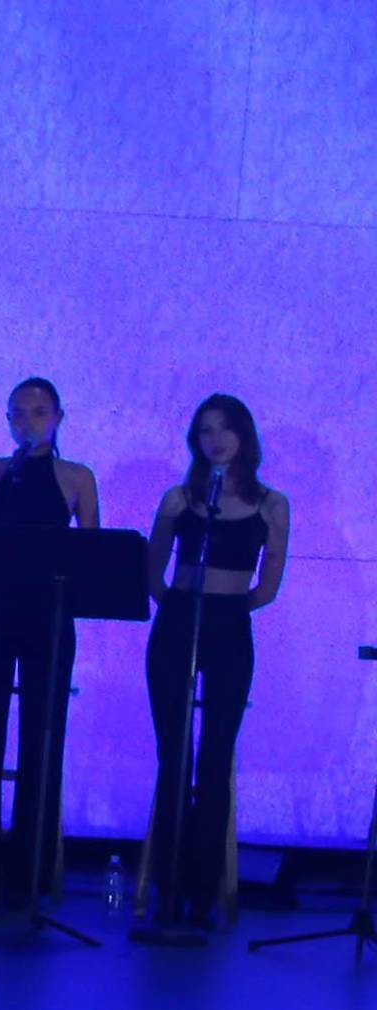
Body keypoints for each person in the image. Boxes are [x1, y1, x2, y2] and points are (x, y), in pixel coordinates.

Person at [0, 376, 99, 907]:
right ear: (8, 420)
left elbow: (89, 555)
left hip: (49, 616)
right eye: (19, 413)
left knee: (42, 733)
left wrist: (47, 592)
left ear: (58, 417)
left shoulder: (76, 476)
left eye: (39, 411)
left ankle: (29, 870)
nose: (29, 421)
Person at [142, 393, 289, 926]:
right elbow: (153, 569)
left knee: (216, 754)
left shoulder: (271, 504)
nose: (216, 439)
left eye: (225, 428)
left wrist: (228, 609)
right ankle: (168, 886)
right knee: (174, 754)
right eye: (206, 430)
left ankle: (203, 892)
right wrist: (179, 604)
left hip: (230, 625)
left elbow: (267, 587)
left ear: (244, 436)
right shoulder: (180, 499)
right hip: (179, 620)